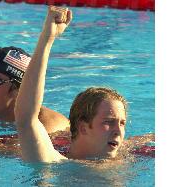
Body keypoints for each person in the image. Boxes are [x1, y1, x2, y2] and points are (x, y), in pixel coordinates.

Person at [15, 6, 128, 162]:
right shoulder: (57, 165)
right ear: (83, 128)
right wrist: (47, 39)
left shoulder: (129, 159)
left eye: (122, 123)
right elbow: (26, 118)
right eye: (108, 122)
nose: (118, 131)